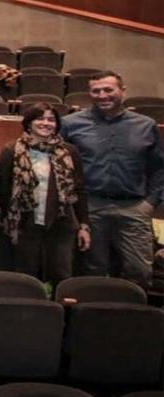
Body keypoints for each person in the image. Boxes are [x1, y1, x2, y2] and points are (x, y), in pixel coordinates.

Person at [61, 70, 162, 288]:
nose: (102, 95)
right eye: (95, 91)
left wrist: (150, 203)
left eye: (108, 90)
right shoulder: (70, 124)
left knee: (140, 271)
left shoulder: (145, 125)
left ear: (122, 91)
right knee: (92, 270)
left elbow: (158, 169)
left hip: (133, 208)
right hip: (90, 208)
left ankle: (133, 318)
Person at [0, 103, 90, 285]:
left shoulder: (69, 151)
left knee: (61, 273)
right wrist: (8, 217)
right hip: (25, 222)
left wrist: (84, 225)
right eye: (40, 118)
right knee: (26, 276)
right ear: (29, 123)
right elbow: (3, 188)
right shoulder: (12, 150)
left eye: (51, 119)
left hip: (61, 222)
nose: (46, 123)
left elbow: (79, 190)